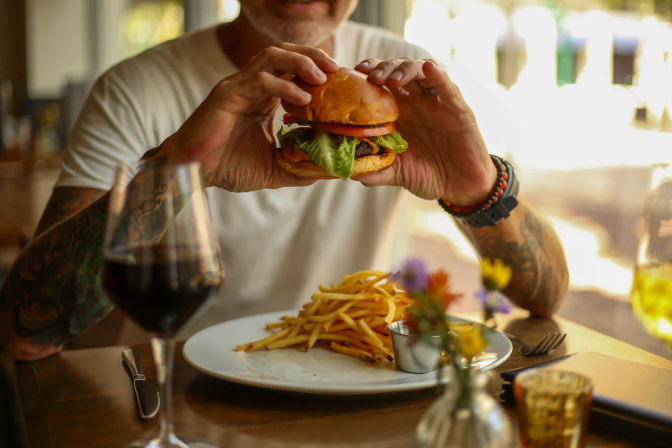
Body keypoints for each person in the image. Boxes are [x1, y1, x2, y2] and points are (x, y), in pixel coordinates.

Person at [0, 0, 568, 361]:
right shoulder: (134, 89)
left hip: (369, 379)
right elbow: (26, 330)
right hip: (187, 391)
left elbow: (545, 297)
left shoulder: (409, 80)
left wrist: (475, 186)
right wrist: (181, 169)